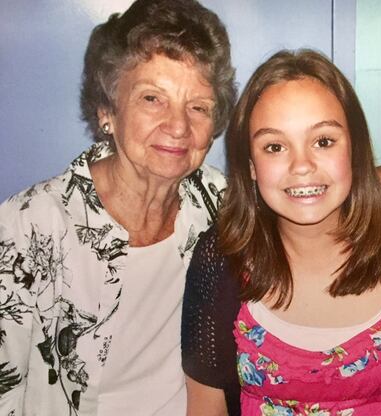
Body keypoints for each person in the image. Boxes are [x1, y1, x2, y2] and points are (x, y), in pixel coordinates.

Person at [181, 49, 381, 416]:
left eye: (323, 141)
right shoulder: (219, 258)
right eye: (275, 147)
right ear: (252, 166)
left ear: (354, 148)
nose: (302, 166)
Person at [0, 0, 235, 414]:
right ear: (108, 110)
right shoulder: (28, 227)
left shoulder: (215, 199)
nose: (179, 126)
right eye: (152, 99)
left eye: (198, 106)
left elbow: (304, 191)